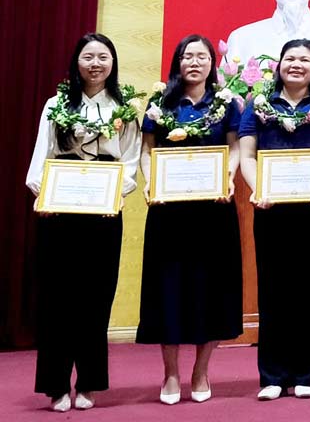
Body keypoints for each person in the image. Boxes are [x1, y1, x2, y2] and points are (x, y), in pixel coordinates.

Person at [26, 33, 141, 411]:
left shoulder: (124, 109)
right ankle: (57, 385)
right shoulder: (56, 104)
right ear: (76, 62)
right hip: (60, 210)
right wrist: (44, 194)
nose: (96, 63)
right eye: (88, 56)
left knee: (96, 298)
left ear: (113, 63)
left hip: (104, 213)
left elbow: (130, 162)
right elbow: (41, 156)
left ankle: (90, 382)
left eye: (103, 57)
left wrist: (114, 195)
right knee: (57, 299)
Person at [239, 38, 310, 400]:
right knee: (273, 290)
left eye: (304, 59)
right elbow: (248, 155)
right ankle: (272, 375)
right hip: (272, 210)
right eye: (290, 58)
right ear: (278, 65)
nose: (296, 65)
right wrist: (259, 190)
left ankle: (306, 373)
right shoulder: (258, 105)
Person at [138, 35, 243, 404]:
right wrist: (152, 183)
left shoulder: (228, 102)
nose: (194, 62)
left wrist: (227, 177)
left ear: (213, 62)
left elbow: (234, 147)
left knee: (211, 291)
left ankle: (201, 371)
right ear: (177, 62)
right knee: (168, 290)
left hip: (214, 211)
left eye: (202, 56)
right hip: (170, 212)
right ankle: (170, 373)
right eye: (187, 56)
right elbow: (148, 151)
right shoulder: (159, 103)